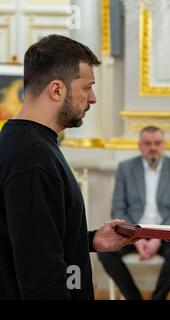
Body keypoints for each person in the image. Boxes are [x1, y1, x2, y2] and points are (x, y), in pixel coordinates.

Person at [0, 34, 132, 300]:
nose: (93, 98)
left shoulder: (27, 142)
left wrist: (92, 239)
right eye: (87, 87)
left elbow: (33, 235)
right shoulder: (32, 156)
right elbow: (39, 271)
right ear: (57, 90)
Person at [98, 126, 170, 300]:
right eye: (147, 143)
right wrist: (135, 237)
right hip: (132, 230)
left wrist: (158, 237)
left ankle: (158, 298)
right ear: (140, 146)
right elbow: (118, 208)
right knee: (105, 252)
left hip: (166, 232)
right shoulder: (125, 168)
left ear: (163, 145)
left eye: (157, 143)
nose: (152, 147)